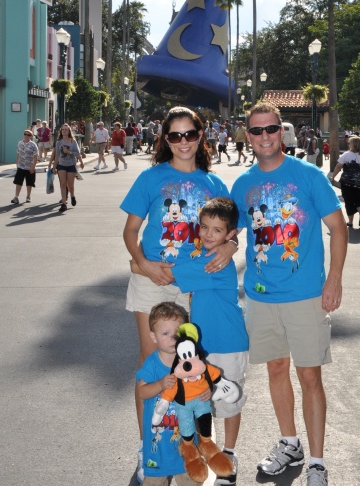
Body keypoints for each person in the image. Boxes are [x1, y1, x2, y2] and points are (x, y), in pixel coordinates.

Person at [231, 102, 347, 486]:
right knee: (276, 369)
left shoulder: (309, 176)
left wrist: (334, 280)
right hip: (262, 297)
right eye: (257, 130)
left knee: (310, 375)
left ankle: (316, 461)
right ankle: (289, 443)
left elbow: (339, 228)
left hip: (305, 295)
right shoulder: (242, 184)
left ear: (283, 132)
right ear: (247, 136)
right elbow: (232, 237)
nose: (264, 136)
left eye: (271, 129)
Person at [120, 106, 238, 484]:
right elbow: (130, 231)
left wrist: (230, 246)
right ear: (165, 139)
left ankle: (193, 443)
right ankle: (149, 448)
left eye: (190, 134)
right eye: (175, 135)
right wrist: (142, 263)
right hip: (151, 279)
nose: (183, 142)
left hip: (193, 284)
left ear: (200, 136)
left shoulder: (214, 184)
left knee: (190, 365)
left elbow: (232, 228)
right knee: (152, 363)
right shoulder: (150, 178)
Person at [132, 197, 248, 486]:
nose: (208, 234)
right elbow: (177, 268)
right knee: (200, 400)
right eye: (205, 227)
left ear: (230, 234)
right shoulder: (203, 257)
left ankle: (229, 455)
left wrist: (138, 266)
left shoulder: (215, 262)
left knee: (229, 401)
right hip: (203, 347)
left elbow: (169, 275)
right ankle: (201, 453)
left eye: (218, 230)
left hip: (227, 343)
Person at [136, 302, 200, 486]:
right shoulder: (152, 364)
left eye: (177, 333)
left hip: (186, 444)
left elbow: (201, 385)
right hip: (158, 447)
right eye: (165, 334)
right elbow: (142, 392)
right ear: (153, 337)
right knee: (155, 482)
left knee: (192, 481)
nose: (173, 339)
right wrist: (160, 384)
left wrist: (205, 394)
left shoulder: (190, 362)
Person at [331, 135, 360, 228]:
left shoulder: (346, 155)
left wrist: (333, 177)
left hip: (347, 183)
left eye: (349, 143)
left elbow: (338, 166)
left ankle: (350, 222)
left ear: (352, 145)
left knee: (349, 201)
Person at [50, 124, 84, 212]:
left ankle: (72, 196)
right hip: (61, 165)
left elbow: (77, 153)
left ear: (69, 131)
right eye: (63, 129)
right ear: (61, 131)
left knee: (70, 185)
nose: (64, 131)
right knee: (63, 184)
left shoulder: (73, 141)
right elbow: (57, 155)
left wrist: (70, 152)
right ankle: (64, 203)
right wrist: (54, 166)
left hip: (71, 165)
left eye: (66, 129)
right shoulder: (59, 142)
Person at [11, 129, 39, 204]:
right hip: (21, 166)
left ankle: (28, 196)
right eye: (25, 134)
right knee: (18, 182)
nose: (26, 136)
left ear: (31, 136)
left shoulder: (33, 145)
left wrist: (33, 166)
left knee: (29, 182)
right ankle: (16, 197)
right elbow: (18, 153)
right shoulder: (20, 143)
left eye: (28, 135)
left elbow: (36, 156)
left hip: (29, 166)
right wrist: (17, 162)